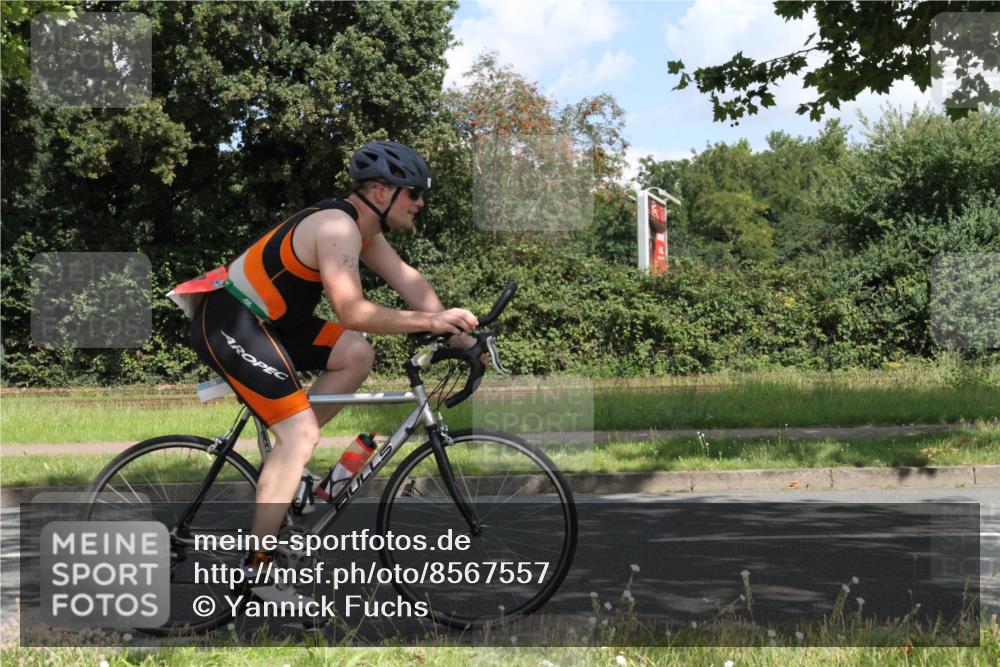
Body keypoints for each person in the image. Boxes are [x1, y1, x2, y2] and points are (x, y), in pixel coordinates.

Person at [188, 141, 479, 586]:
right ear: (381, 192)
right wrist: (432, 320)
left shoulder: (364, 231)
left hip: (275, 324)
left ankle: (290, 465)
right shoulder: (337, 227)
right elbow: (352, 311)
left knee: (356, 353)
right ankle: (260, 574)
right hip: (232, 319)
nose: (421, 203)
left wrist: (458, 336)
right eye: (414, 193)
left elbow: (408, 281)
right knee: (299, 432)